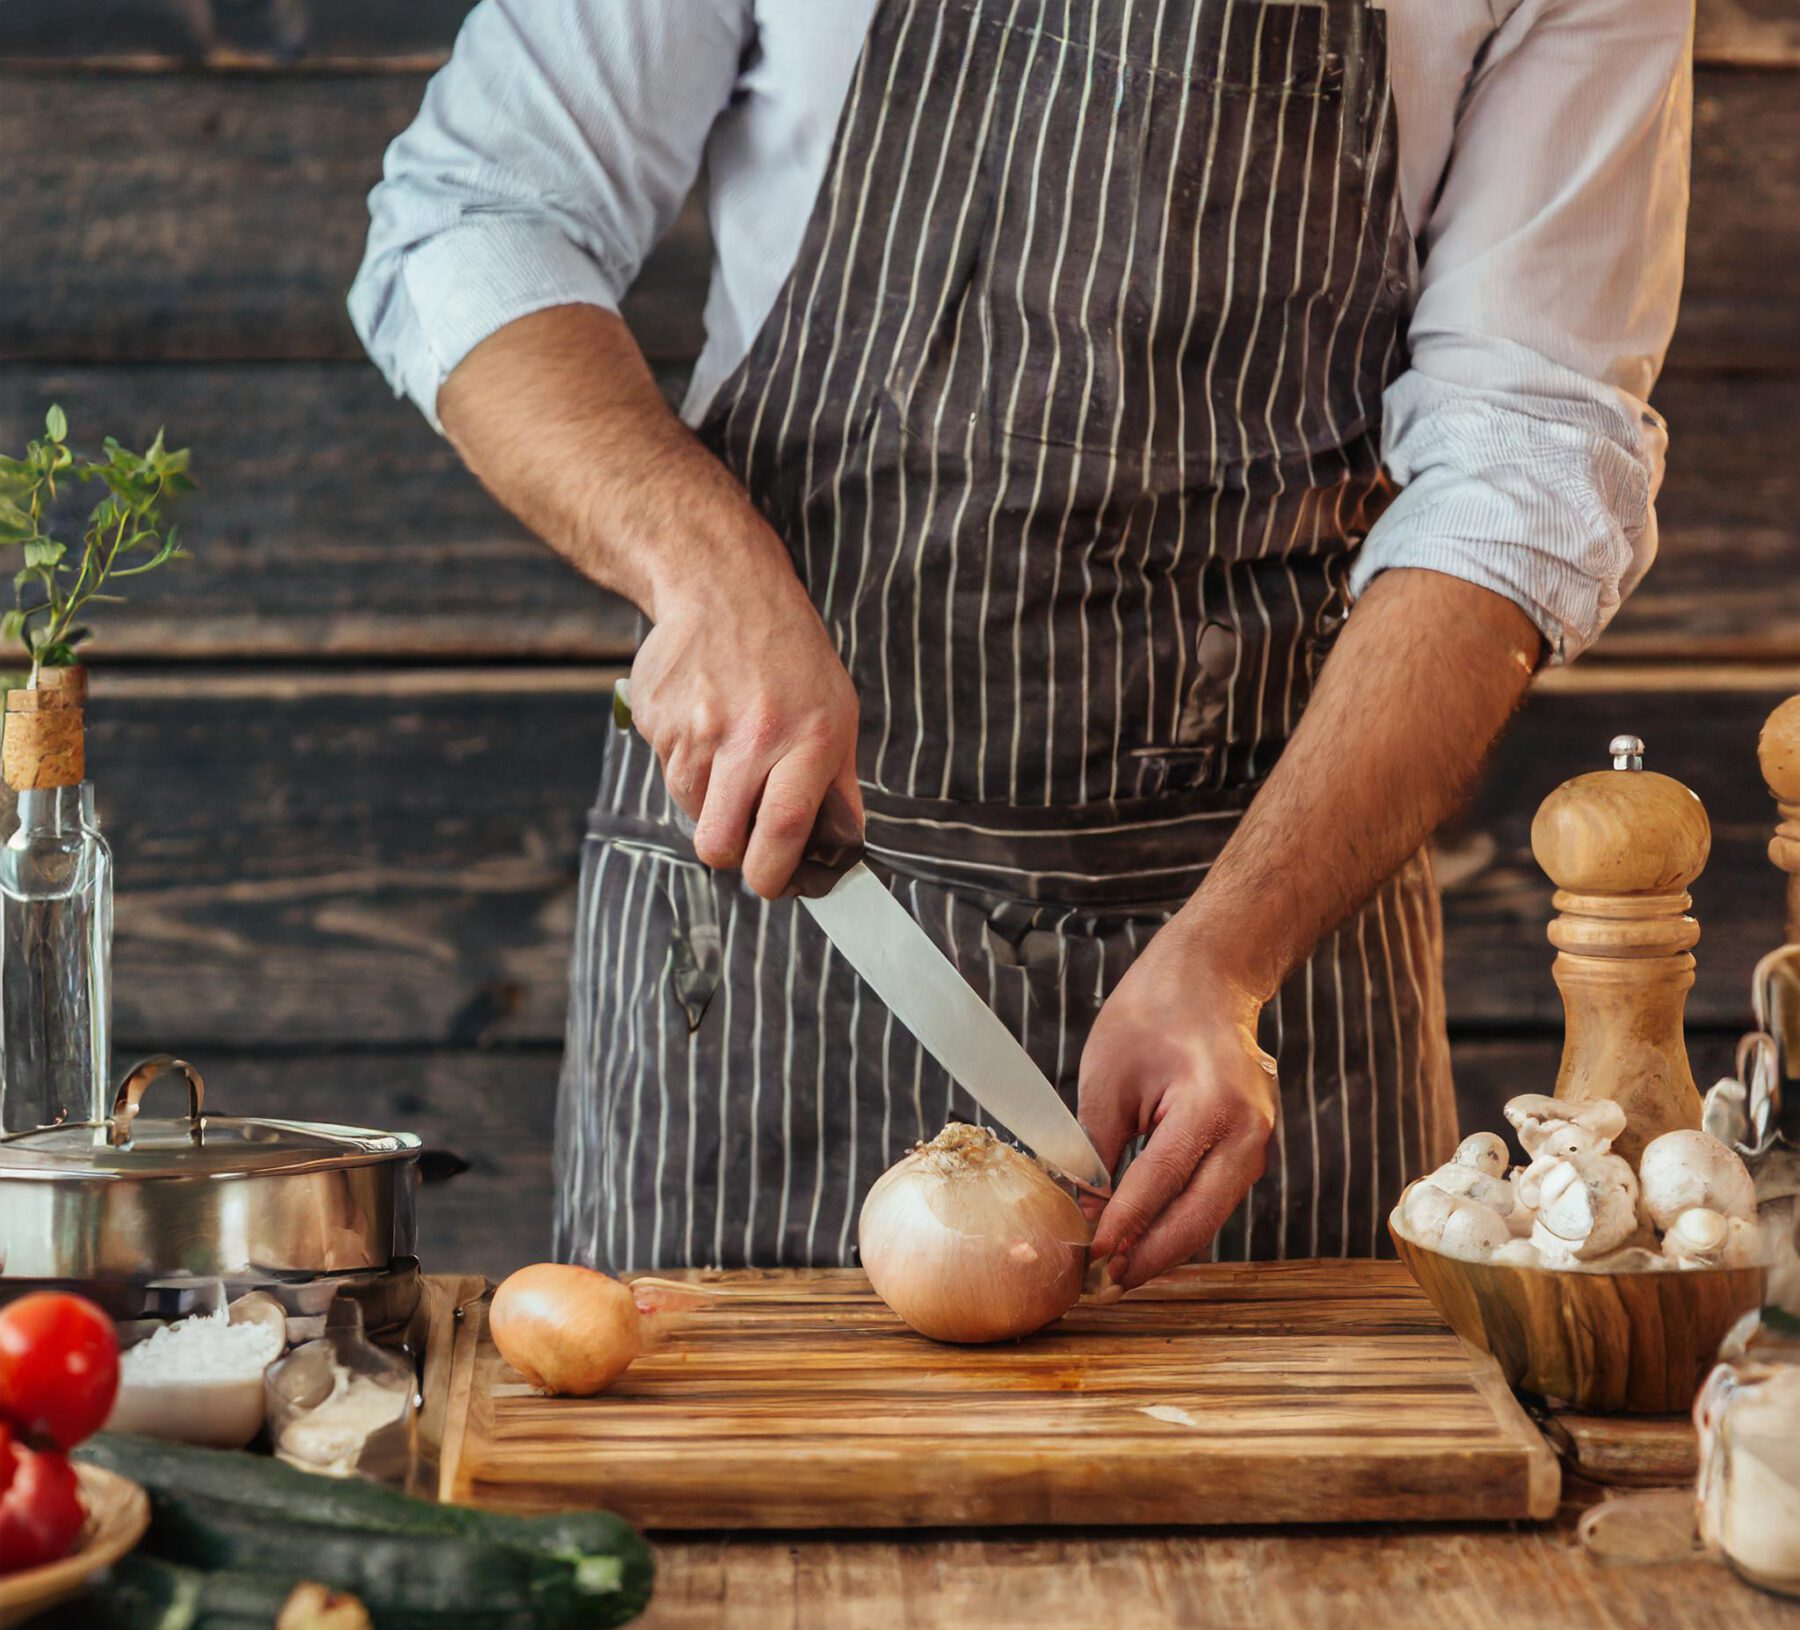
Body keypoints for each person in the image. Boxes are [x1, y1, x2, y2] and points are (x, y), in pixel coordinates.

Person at [351, 0, 1690, 1286]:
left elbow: (1529, 454)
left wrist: (1233, 954)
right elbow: (482, 216)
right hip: (786, 912)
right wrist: (704, 572)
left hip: (1273, 975)